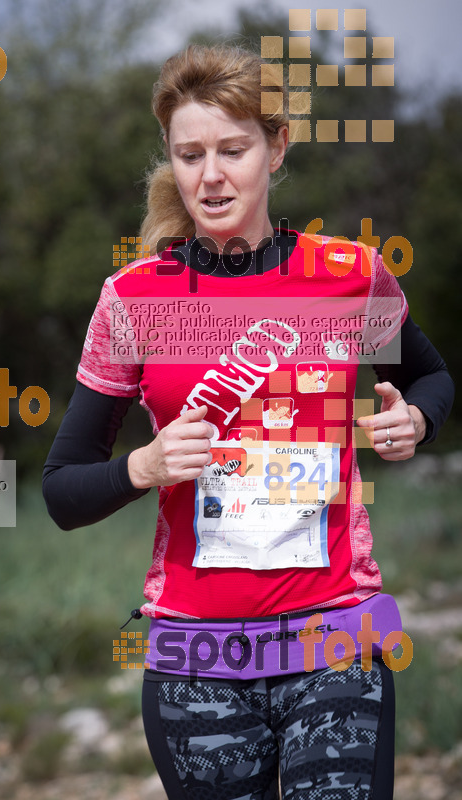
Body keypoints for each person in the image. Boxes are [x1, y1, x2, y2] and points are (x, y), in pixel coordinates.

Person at [43, 43, 454, 800]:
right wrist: (146, 466)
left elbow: (429, 377)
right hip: (195, 663)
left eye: (232, 149)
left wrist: (416, 422)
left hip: (334, 643)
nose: (210, 174)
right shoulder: (133, 301)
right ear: (170, 158)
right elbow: (62, 491)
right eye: (189, 154)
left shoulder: (346, 278)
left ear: (275, 147)